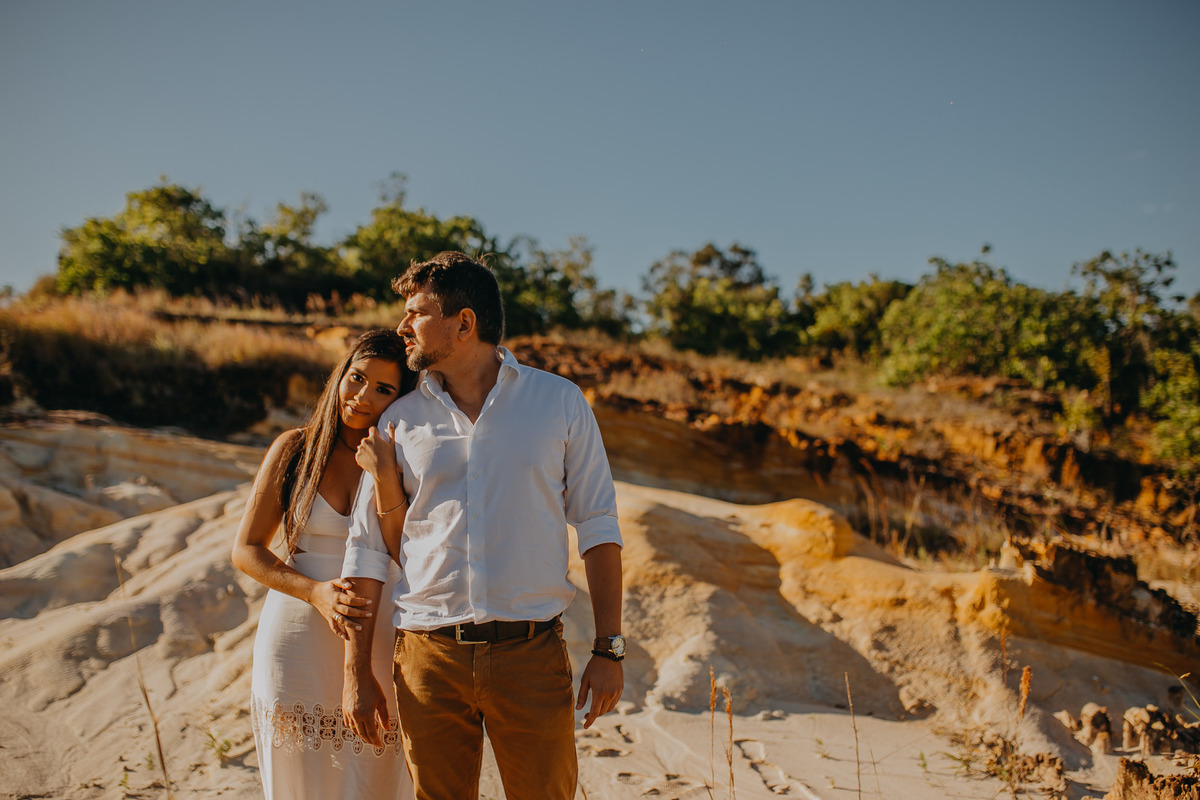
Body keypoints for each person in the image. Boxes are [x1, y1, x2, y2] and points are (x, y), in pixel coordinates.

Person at [338, 251, 626, 799]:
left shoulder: (558, 402)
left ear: (463, 323)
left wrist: (609, 649)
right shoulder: (400, 419)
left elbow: (597, 525)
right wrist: (355, 672)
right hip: (427, 658)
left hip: (532, 657)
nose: (402, 327)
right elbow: (368, 551)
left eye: (416, 313)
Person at [232, 329, 417, 800]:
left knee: (377, 775)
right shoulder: (294, 449)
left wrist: (384, 474)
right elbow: (247, 549)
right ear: (340, 374)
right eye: (356, 378)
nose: (361, 397)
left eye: (383, 389)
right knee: (301, 778)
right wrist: (314, 592)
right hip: (295, 636)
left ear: (402, 398)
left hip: (381, 634)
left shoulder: (405, 459)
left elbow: (406, 550)